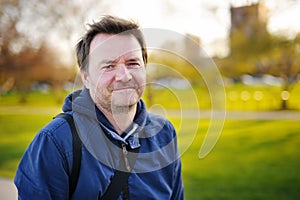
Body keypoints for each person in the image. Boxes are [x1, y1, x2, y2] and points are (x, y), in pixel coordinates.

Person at [14, 15, 184, 199]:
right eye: (109, 66)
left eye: (132, 63)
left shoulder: (164, 133)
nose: (124, 76)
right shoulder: (55, 142)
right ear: (85, 77)